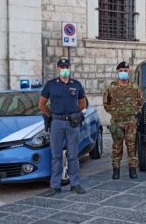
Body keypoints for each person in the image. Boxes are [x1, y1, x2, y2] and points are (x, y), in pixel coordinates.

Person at [39, 58, 87, 196]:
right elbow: (42, 104)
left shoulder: (76, 84)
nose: (64, 69)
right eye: (61, 67)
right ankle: (55, 186)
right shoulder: (51, 84)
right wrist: (51, 116)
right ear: (57, 68)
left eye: (66, 66)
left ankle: (75, 184)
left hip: (72, 123)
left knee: (73, 155)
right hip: (57, 123)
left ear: (69, 68)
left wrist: (75, 114)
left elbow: (82, 104)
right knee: (56, 156)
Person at [103, 61, 144, 179]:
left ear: (129, 71)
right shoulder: (112, 88)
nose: (123, 73)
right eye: (121, 71)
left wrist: (134, 114)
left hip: (131, 122)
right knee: (117, 147)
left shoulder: (135, 87)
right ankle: (116, 170)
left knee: (131, 147)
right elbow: (106, 103)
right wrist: (114, 113)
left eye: (125, 71)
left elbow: (141, 101)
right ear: (117, 72)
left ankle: (132, 169)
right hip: (117, 122)